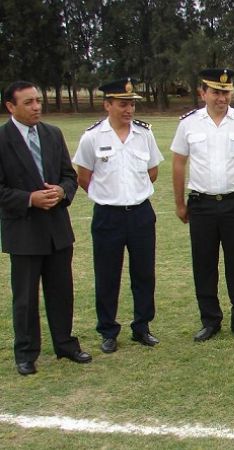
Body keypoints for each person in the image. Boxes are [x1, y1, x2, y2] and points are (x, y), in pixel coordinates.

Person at [0, 81, 92, 375]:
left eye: (38, 100)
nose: (36, 106)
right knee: (25, 297)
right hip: (24, 232)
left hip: (57, 230)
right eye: (28, 102)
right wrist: (30, 199)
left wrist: (62, 191)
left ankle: (65, 344)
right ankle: (26, 353)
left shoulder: (53, 134)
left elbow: (69, 176)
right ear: (11, 106)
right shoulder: (2, 139)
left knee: (61, 291)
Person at [171, 68, 234, 342]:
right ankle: (210, 320)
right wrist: (179, 203)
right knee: (204, 264)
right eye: (216, 92)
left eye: (226, 92)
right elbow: (179, 163)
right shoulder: (189, 124)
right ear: (202, 93)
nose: (222, 98)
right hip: (201, 204)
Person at [73, 78, 164, 354]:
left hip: (140, 214)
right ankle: (108, 331)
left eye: (132, 104)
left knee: (144, 273)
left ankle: (142, 327)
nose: (129, 110)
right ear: (107, 105)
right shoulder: (92, 137)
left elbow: (152, 171)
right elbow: (83, 176)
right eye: (123, 104)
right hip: (108, 216)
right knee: (107, 275)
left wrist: (132, 193)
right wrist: (108, 195)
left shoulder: (144, 134)